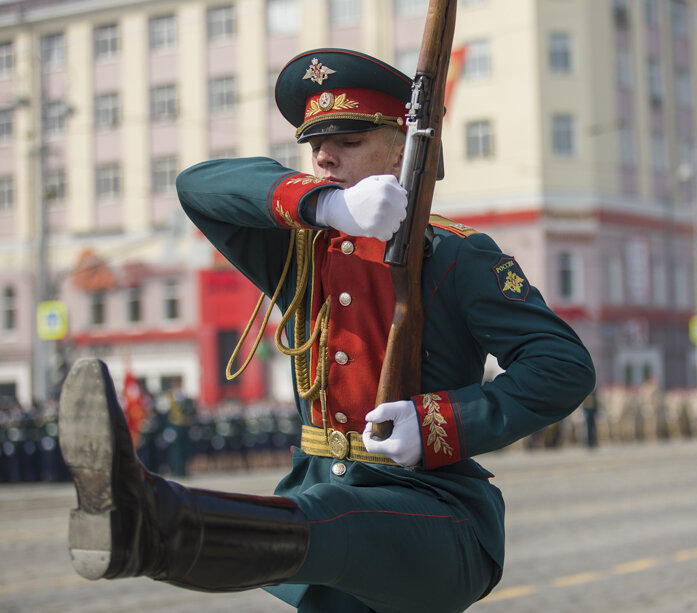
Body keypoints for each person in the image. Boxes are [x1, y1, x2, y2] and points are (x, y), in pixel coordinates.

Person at [58, 49, 595, 613]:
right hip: (319, 499)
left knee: (333, 523)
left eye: (350, 141)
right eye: (316, 146)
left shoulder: (458, 255)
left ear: (403, 147)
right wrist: (323, 205)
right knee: (325, 523)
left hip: (434, 512)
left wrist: (440, 422)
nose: (324, 157)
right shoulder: (302, 252)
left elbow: (562, 368)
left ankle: (155, 524)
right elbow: (199, 185)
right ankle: (153, 529)